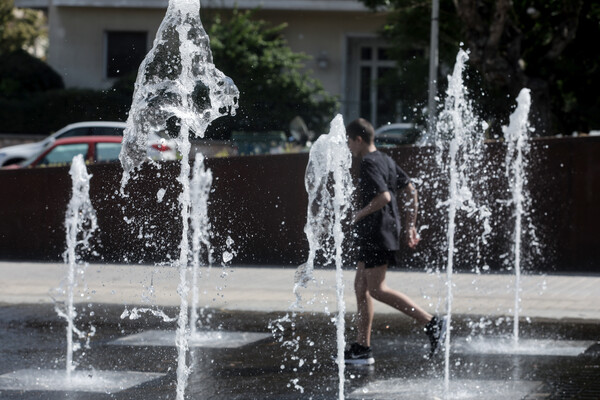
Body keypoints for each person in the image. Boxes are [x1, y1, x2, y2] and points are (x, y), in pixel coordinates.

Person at [344, 118, 446, 365]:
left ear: (358, 139)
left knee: (377, 289)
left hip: (377, 232)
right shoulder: (385, 160)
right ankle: (362, 347)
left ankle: (431, 323)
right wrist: (410, 225)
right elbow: (411, 190)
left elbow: (384, 197)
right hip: (378, 232)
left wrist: (358, 214)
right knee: (361, 286)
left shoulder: (368, 162)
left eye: (348, 141)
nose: (347, 146)